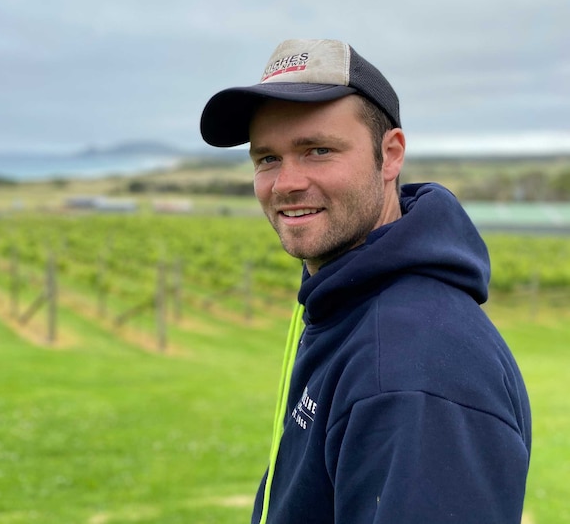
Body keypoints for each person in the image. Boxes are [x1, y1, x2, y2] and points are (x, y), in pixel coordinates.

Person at [199, 39, 531, 524]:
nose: (286, 183)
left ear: (390, 154)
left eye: (317, 150)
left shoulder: (410, 367)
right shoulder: (344, 303)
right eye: (267, 158)